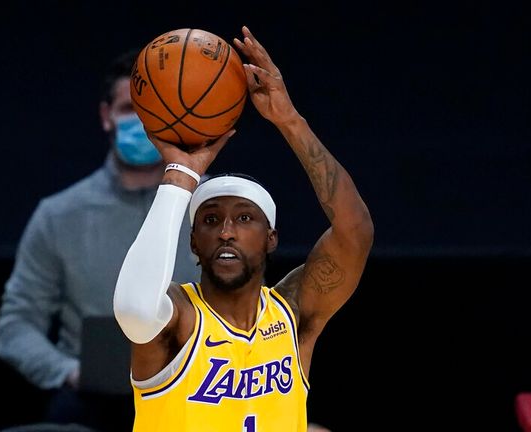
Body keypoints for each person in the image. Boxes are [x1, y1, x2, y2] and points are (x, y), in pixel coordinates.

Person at [113, 25, 373, 432]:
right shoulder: (179, 320)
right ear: (194, 243)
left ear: (271, 239)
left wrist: (289, 120)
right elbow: (134, 308)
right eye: (211, 220)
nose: (227, 231)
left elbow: (355, 231)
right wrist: (180, 176)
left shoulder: (293, 315)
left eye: (245, 218)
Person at [0, 48, 201, 431]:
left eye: (152, 112)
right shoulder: (59, 215)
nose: (141, 122)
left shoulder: (210, 211)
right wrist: (67, 370)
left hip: (197, 394)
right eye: (128, 110)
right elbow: (15, 324)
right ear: (107, 117)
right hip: (93, 402)